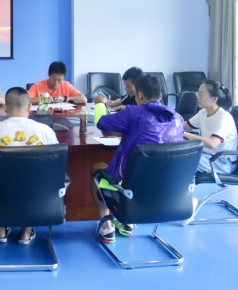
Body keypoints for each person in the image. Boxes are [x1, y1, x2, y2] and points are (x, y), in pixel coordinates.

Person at [90, 73, 184, 243]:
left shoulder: (134, 113)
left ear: (140, 94)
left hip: (132, 191)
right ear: (160, 94)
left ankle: (107, 226)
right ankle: (126, 223)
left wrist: (100, 104)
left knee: (96, 167)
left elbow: (102, 122)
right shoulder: (177, 118)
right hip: (168, 191)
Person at [0, 87, 58, 244]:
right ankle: (26, 232)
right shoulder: (46, 131)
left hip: (1, 194)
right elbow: (55, 163)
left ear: (4, 107)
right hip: (37, 194)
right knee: (36, 179)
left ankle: (1, 230)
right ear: (30, 107)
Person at [183, 80, 237, 174]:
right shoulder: (203, 113)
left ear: (214, 99)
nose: (198, 97)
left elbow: (212, 143)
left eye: (201, 94)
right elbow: (184, 125)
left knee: (181, 159)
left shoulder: (224, 117)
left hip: (222, 162)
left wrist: (185, 134)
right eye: (198, 93)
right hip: (207, 155)